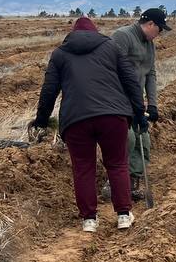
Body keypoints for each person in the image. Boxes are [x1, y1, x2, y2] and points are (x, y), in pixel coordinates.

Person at [31, 16, 144, 233]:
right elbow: (130, 80)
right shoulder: (111, 47)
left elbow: (49, 90)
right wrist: (139, 112)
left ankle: (89, 220)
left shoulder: (60, 54)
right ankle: (123, 214)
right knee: (117, 163)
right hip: (113, 115)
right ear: (95, 31)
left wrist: (42, 120)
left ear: (72, 33)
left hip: (76, 119)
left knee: (83, 168)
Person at [112, 7, 168, 200]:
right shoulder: (122, 36)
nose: (159, 34)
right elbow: (113, 70)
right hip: (118, 100)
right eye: (159, 29)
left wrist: (152, 104)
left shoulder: (149, 43)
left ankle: (133, 179)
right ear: (150, 24)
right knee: (127, 139)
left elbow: (150, 73)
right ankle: (113, 181)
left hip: (137, 103)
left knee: (143, 140)